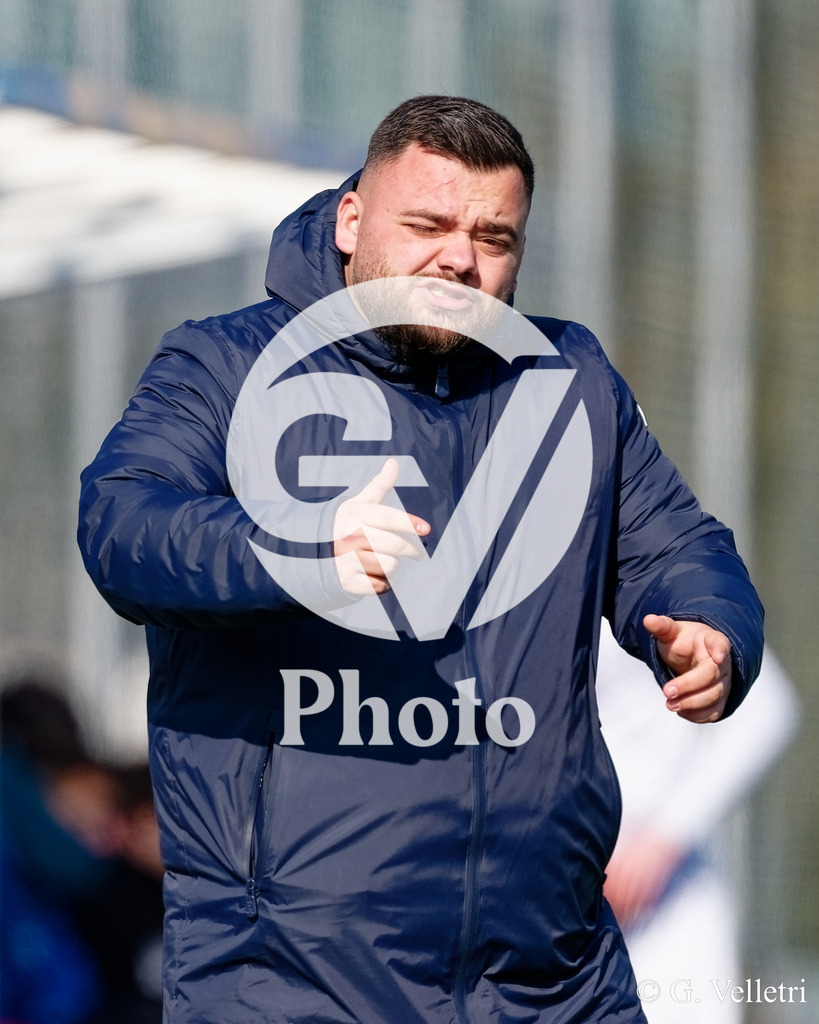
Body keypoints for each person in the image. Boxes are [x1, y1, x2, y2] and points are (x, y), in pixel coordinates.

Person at [77, 96, 764, 1023]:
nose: (458, 259)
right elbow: (122, 524)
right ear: (350, 219)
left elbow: (678, 544)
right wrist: (294, 551)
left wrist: (710, 628)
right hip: (292, 977)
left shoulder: (571, 383)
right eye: (427, 225)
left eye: (492, 237)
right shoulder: (226, 365)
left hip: (552, 973)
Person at [596, 626, 798, 1022]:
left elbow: (767, 705)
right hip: (547, 907)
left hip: (668, 912)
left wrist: (665, 837)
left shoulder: (654, 593)